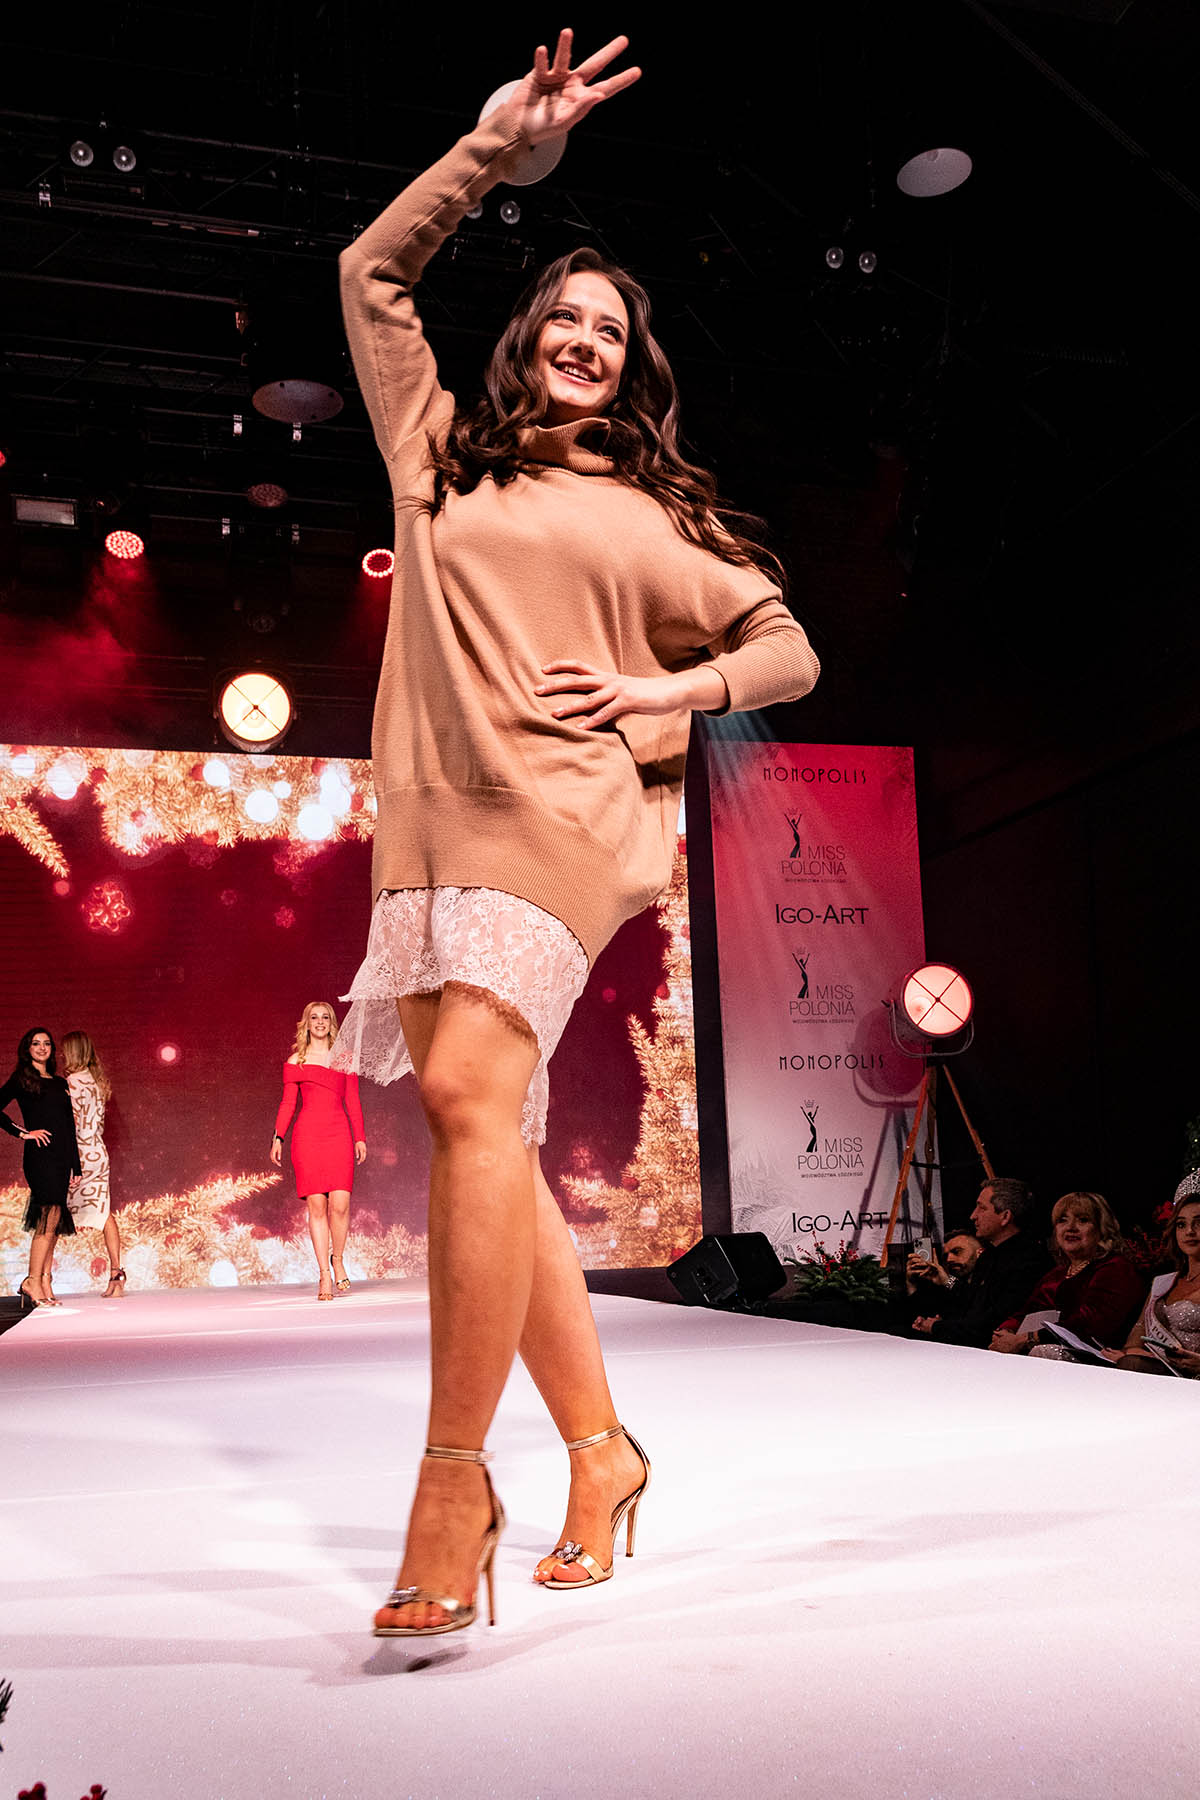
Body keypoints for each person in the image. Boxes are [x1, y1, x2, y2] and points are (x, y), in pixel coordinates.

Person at [335, 30, 819, 1638]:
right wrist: (493, 152)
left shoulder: (658, 518)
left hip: (564, 828)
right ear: (527, 338)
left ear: (633, 365)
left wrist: (663, 685)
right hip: (429, 829)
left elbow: (788, 649)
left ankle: (451, 1481)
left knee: (467, 1098)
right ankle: (603, 1453)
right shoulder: (436, 461)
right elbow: (370, 274)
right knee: (489, 1138)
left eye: (614, 330)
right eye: (569, 319)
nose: (588, 342)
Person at [272, 1002, 367, 1300]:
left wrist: (360, 1138)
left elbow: (353, 1100)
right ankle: (324, 1275)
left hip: (338, 1135)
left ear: (332, 1023)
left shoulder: (344, 1058)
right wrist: (278, 1136)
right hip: (307, 1138)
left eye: (325, 1017)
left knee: (340, 1204)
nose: (320, 1022)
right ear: (307, 1023)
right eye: (314, 1017)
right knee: (316, 1206)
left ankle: (337, 1259)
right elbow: (288, 1103)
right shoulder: (297, 1061)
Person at [987, 1191, 1145, 1359]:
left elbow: (1090, 1324)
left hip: (1097, 1358)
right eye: (1062, 1220)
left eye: (1083, 1220)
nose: (1071, 1227)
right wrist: (1006, 1330)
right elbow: (1025, 1312)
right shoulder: (1056, 1274)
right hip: (1042, 1350)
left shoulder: (1116, 1268)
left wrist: (1028, 1338)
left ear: (1102, 1229)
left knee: (1044, 1352)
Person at [912, 1178, 1047, 1347]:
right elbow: (970, 1298)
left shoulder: (1029, 1261)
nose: (973, 1216)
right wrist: (947, 1281)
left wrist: (937, 1327)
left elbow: (989, 1324)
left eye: (982, 1208)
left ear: (1005, 1216)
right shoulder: (989, 1256)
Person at [0, 1027, 81, 1308]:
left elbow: (69, 1127)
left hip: (62, 1158)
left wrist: (75, 1166)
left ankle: (45, 1280)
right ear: (28, 1048)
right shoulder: (22, 1079)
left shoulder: (60, 1083)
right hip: (40, 1157)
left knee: (54, 1223)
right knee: (48, 1218)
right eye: (36, 1043)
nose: (42, 1048)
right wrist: (22, 1133)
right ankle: (31, 1281)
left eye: (47, 1043)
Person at [1111, 1176, 1200, 1377]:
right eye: (1181, 1224)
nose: (1189, 1231)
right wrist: (1133, 1353)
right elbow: (1134, 1342)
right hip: (1161, 1375)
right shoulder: (1163, 1283)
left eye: (1199, 1223)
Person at [61, 1031, 124, 1297]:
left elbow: (69, 1124)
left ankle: (42, 1281)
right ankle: (117, 1274)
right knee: (103, 1212)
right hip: (97, 1152)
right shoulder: (97, 1082)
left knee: (54, 1211)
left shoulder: (71, 1083)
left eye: (64, 1050)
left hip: (77, 1153)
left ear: (72, 1052)